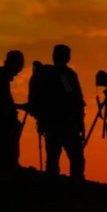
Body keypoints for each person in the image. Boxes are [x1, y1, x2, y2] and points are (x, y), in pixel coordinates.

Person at [29, 45, 86, 180]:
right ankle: (75, 186)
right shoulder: (64, 75)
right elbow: (71, 96)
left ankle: (52, 184)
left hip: (49, 123)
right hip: (66, 124)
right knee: (76, 158)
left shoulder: (44, 73)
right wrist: (79, 121)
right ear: (67, 57)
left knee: (52, 158)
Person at [0, 50, 27, 167]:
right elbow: (2, 103)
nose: (19, 71)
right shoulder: (0, 78)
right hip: (1, 127)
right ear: (13, 63)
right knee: (5, 161)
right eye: (19, 67)